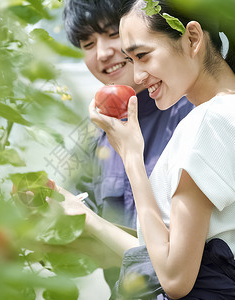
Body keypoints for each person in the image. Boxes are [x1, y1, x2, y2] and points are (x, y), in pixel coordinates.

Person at [55, 0, 235, 298]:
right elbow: (168, 255)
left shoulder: (208, 122)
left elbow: (175, 279)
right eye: (131, 59)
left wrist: (132, 159)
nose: (137, 76)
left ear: (192, 38)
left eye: (143, 55)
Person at [61, 0, 194, 289]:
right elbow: (73, 220)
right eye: (87, 43)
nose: (103, 53)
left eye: (113, 33)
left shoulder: (189, 113)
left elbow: (184, 263)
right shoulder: (96, 132)